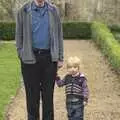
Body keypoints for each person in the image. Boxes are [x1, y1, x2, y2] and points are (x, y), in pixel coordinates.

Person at [15, 0, 64, 119]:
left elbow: (59, 34)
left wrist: (60, 57)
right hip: (30, 59)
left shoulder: (53, 10)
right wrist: (21, 53)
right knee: (32, 96)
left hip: (49, 59)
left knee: (48, 96)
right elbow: (18, 35)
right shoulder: (23, 11)